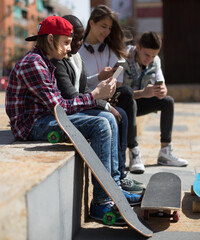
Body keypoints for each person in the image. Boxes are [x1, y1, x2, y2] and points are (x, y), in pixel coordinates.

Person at [5, 15, 142, 223]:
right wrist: (96, 95)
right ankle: (101, 204)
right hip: (31, 126)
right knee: (100, 124)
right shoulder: (34, 64)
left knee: (108, 118)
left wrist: (98, 97)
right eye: (66, 42)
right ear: (50, 40)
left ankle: (114, 191)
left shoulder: (46, 61)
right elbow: (60, 107)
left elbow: (60, 105)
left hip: (47, 117)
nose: (70, 48)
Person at [79, 5, 146, 185]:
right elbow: (75, 85)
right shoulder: (76, 51)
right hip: (87, 97)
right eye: (103, 26)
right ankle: (121, 173)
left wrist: (110, 82)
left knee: (125, 94)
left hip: (110, 95)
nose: (107, 31)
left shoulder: (112, 49)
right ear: (91, 23)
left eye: (110, 28)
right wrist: (98, 79)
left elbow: (119, 81)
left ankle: (130, 158)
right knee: (121, 114)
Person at [123, 31, 188, 173]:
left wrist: (162, 90)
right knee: (131, 102)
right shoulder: (124, 58)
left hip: (141, 101)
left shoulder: (155, 60)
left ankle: (165, 152)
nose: (150, 59)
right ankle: (134, 152)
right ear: (138, 47)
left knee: (168, 102)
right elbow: (118, 94)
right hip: (124, 105)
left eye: (154, 55)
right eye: (147, 55)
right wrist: (143, 93)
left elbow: (162, 85)